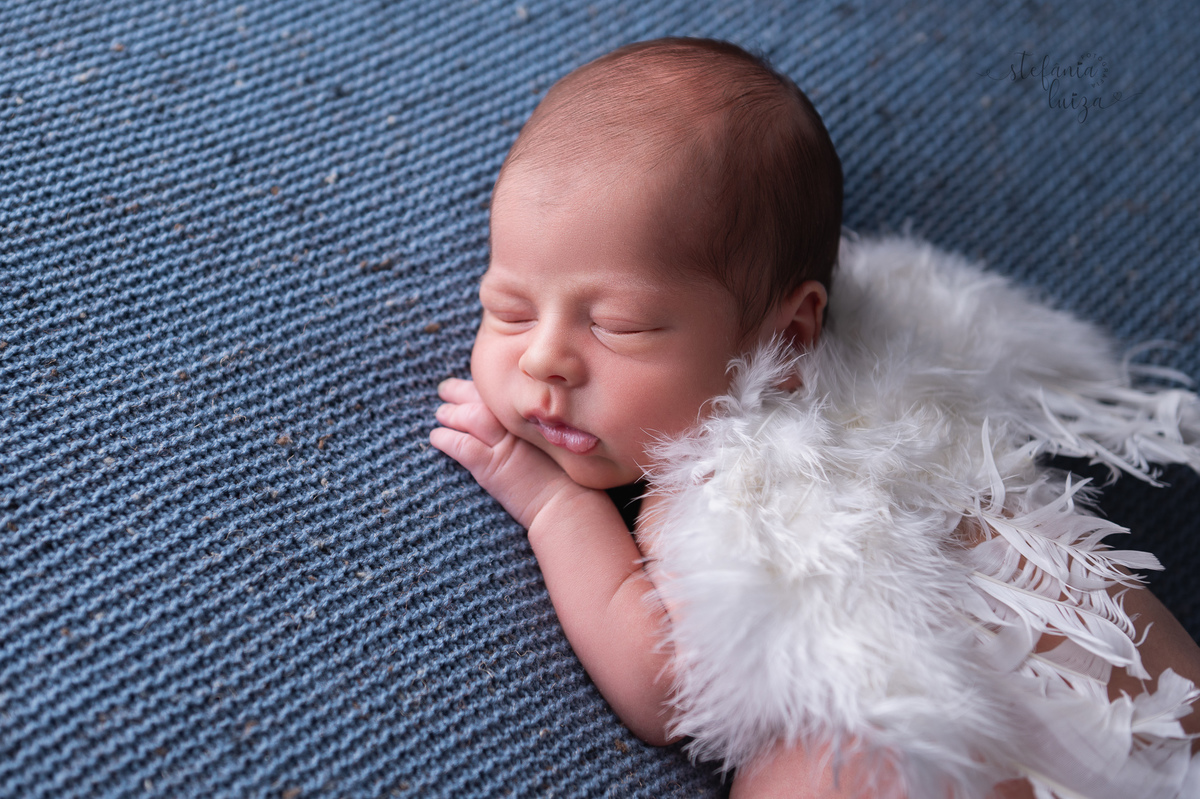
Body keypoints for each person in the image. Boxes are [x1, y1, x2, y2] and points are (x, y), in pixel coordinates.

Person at [430, 37, 1200, 798]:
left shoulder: (736, 474)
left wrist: (554, 506)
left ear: (788, 336)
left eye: (618, 325)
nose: (544, 360)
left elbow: (662, 687)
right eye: (509, 309)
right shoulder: (911, 386)